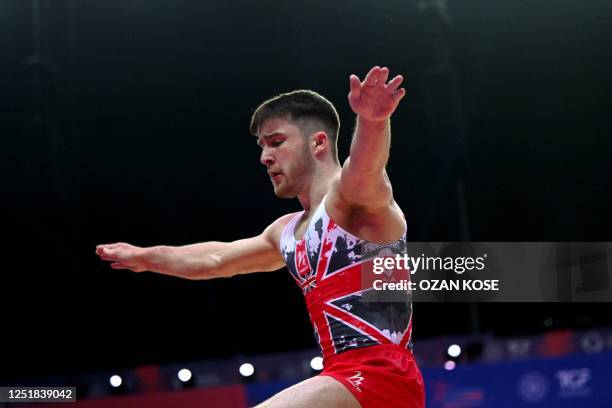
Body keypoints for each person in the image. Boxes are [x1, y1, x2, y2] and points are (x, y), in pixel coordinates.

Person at [96, 66, 425, 408]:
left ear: (318, 142)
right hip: (342, 379)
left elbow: (366, 167)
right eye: (262, 146)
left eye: (277, 142)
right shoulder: (283, 232)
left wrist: (373, 121)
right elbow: (216, 259)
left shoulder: (351, 199)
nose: (264, 157)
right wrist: (145, 257)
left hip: (380, 375)